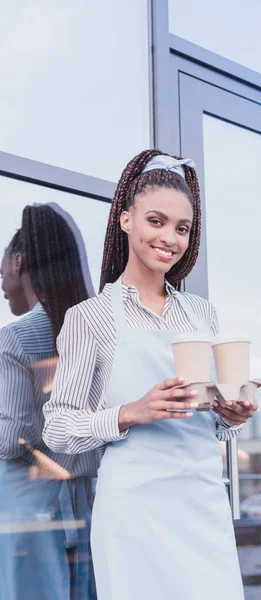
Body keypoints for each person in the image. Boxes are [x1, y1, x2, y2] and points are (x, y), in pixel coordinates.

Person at [43, 150, 258, 599]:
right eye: (156, 221)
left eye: (182, 228)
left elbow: (208, 419)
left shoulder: (202, 314)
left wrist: (230, 416)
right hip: (133, 513)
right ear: (125, 220)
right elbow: (58, 428)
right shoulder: (91, 317)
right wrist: (128, 413)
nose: (170, 238)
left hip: (202, 506)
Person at [0, 204, 97, 600]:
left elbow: (11, 442)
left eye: (1, 266)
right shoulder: (91, 332)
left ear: (19, 261)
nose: (2, 279)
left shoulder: (16, 338)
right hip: (84, 507)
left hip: (27, 513)